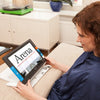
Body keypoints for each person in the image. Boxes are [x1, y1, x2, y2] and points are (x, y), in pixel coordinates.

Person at [13, 1, 100, 100]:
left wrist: (31, 96)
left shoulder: (93, 80)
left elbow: (87, 78)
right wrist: (57, 65)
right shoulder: (94, 51)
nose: (77, 40)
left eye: (81, 35)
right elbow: (80, 74)